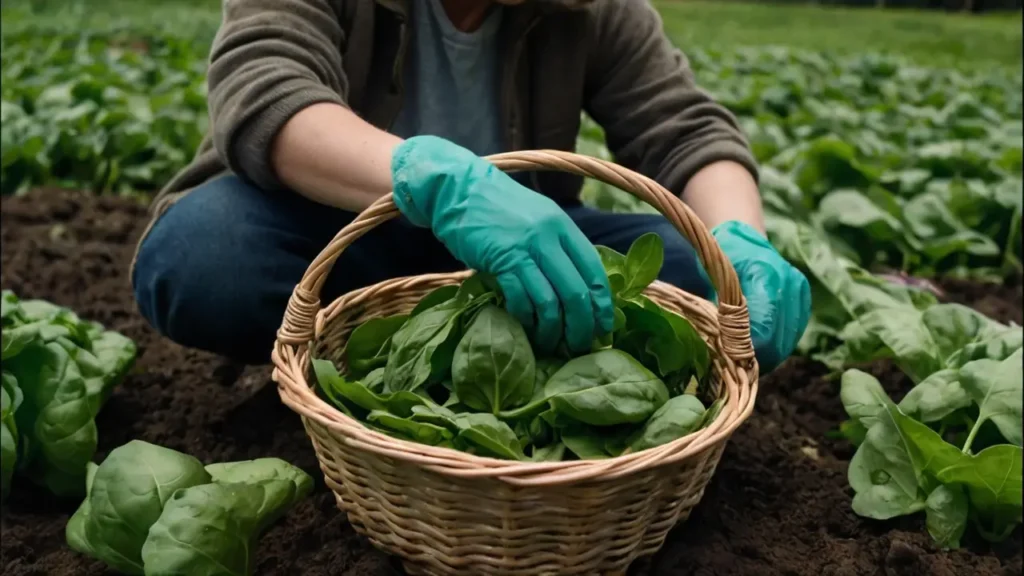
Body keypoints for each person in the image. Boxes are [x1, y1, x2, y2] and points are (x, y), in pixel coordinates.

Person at [131, 0, 810, 371]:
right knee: (206, 254)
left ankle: (445, 356)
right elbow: (265, 90)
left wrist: (739, 237)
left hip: (524, 253)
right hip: (343, 242)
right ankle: (360, 355)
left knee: (697, 270)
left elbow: (686, 129)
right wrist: (437, 184)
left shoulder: (590, 8)